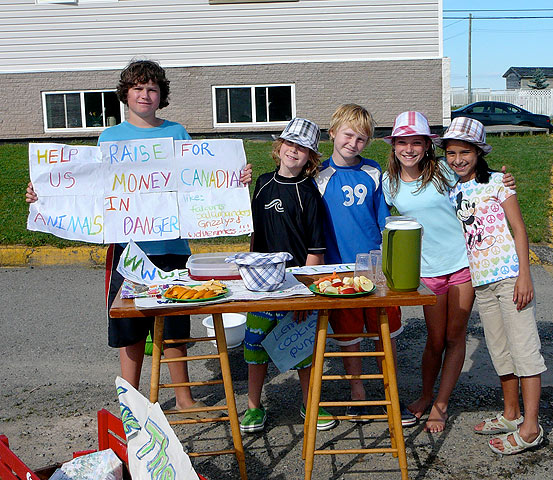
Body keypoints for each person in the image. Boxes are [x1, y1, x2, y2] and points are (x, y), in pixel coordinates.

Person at [26, 60, 251, 416]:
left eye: (152, 89)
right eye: (137, 88)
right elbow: (90, 188)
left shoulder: (177, 133)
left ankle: (184, 399)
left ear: (161, 95)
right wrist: (44, 196)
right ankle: (131, 403)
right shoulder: (109, 138)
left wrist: (232, 179)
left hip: (173, 248)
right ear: (125, 94)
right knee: (128, 327)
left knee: (176, 326)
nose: (145, 95)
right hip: (127, 251)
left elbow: (198, 178)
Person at [382, 111, 515, 433]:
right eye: (403, 142)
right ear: (394, 146)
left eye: (417, 142)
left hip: (462, 263)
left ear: (428, 146)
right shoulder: (388, 182)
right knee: (435, 339)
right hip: (425, 269)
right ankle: (426, 395)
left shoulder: (443, 170)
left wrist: (503, 179)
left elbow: (478, 178)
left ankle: (440, 405)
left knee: (455, 337)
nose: (409, 149)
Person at [438, 116, 545, 454]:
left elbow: (519, 229)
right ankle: (512, 414)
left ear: (478, 152)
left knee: (524, 349)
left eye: (465, 152)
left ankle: (531, 427)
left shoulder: (499, 182)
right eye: (451, 153)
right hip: (481, 280)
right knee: (500, 351)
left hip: (511, 277)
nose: (457, 159)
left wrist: (525, 275)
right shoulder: (454, 188)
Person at [316, 104, 416, 427]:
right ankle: (357, 394)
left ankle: (391, 394)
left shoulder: (374, 172)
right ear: (332, 133)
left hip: (375, 269)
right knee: (349, 337)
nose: (353, 143)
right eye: (348, 135)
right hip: (338, 271)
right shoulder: (318, 175)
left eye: (361, 139)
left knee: (384, 335)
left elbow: (384, 221)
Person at [240, 117, 337, 433]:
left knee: (302, 351)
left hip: (295, 288)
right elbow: (251, 231)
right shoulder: (262, 183)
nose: (294, 151)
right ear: (278, 147)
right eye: (290, 144)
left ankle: (310, 403)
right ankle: (254, 406)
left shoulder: (309, 193)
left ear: (311, 156)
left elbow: (315, 250)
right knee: (255, 347)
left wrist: (304, 295)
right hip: (260, 284)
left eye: (303, 148)